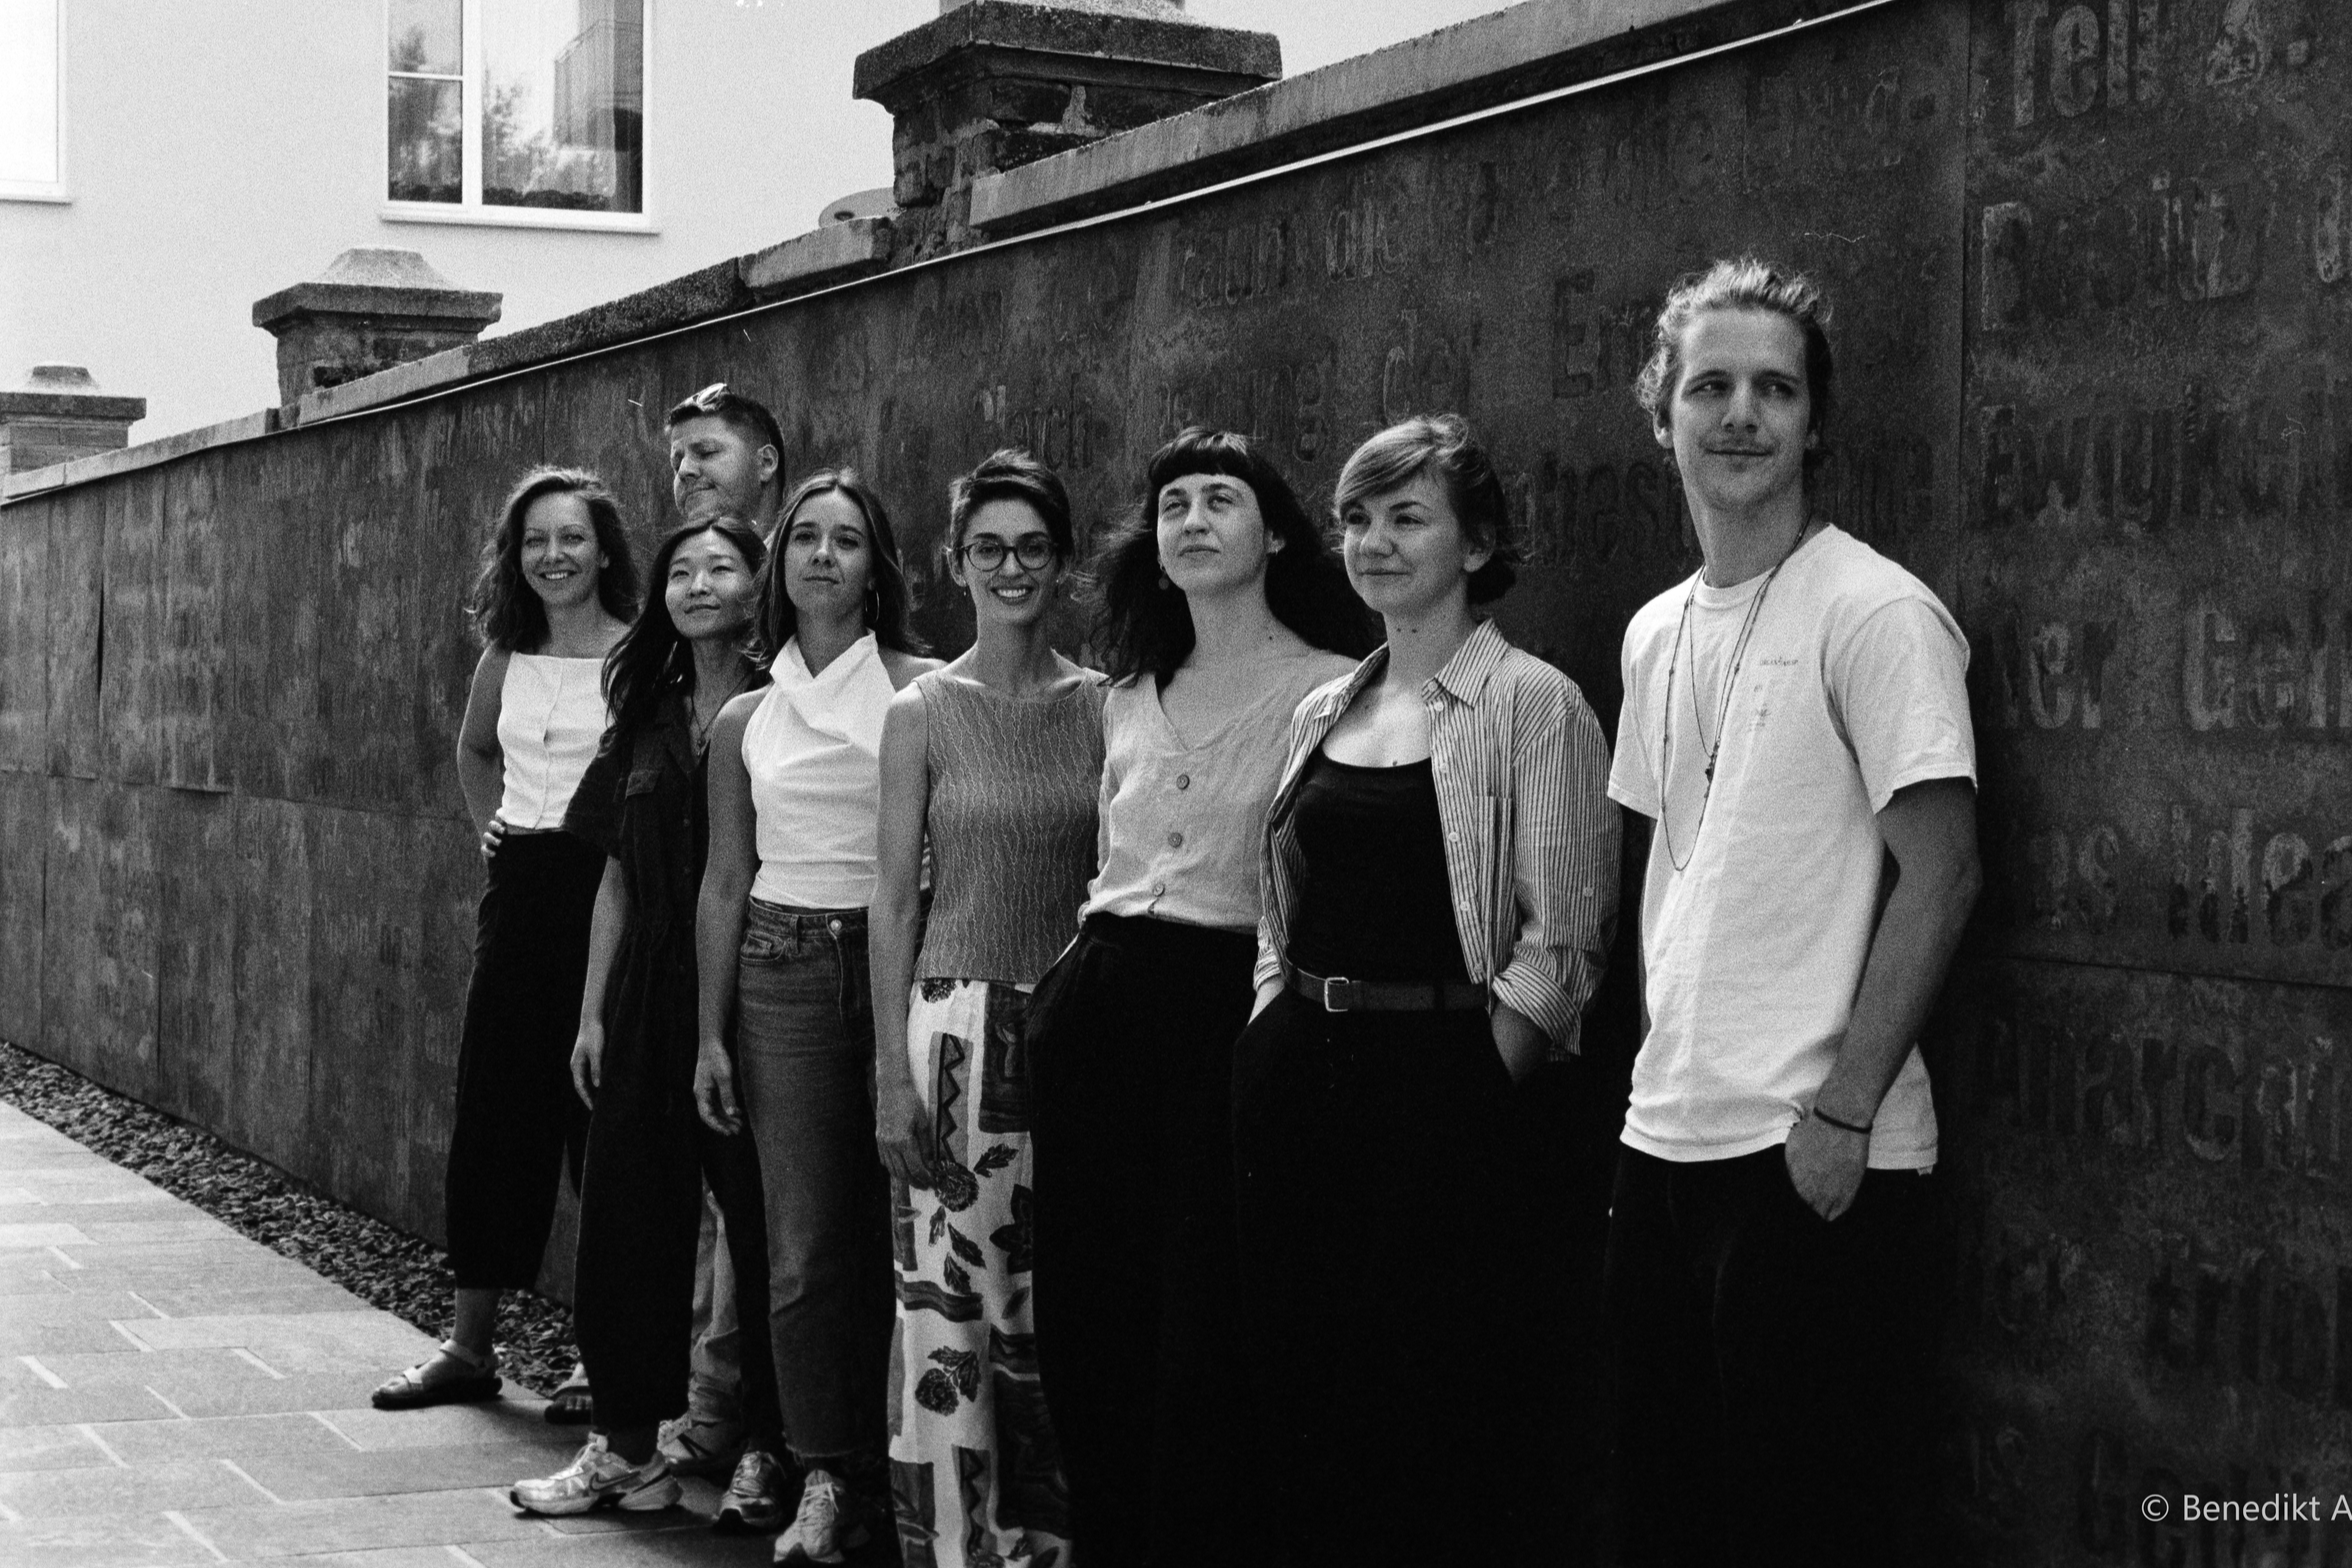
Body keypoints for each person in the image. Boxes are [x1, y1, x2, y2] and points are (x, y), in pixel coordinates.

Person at [1603, 258, 1979, 1568]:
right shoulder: (1655, 630)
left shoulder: (1874, 612)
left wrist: (1843, 1115)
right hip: (1665, 1140)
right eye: (1710, 386)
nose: (1741, 414)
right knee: (1662, 1522)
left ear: (1816, 423)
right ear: (1663, 414)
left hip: (1811, 1157)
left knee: (1801, 1530)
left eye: (1775, 388)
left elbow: (1944, 872)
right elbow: (1677, 871)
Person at [1232, 413, 1618, 1566]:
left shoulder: (1534, 704)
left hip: (1450, 1098)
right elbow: (1278, 902)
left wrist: (1469, 1093)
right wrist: (1268, 1031)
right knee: (1309, 1402)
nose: (1376, 541)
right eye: (1357, 518)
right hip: (1302, 1089)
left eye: (1408, 516)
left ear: (1477, 542)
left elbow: (1566, 941)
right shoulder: (1324, 710)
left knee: (1434, 1409)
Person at [1025, 427, 1369, 1567]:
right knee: (1090, 1306)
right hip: (1101, 1004)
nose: (1194, 520)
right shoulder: (1126, 695)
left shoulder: (1332, 687)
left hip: (1229, 1008)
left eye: (1221, 499)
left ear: (1274, 535)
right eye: (1173, 504)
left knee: (1203, 1314)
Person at [504, 516, 790, 1526]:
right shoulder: (647, 708)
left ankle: (772, 1450)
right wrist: (592, 1013)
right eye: (681, 570)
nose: (699, 584)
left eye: (722, 566)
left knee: (765, 1227)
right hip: (645, 993)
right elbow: (615, 876)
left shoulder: (789, 705)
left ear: (760, 582)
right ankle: (628, 1450)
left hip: (759, 987)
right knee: (625, 1215)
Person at [696, 470, 940, 1566]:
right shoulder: (745, 716)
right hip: (780, 972)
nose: (824, 556)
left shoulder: (925, 690)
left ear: (877, 564)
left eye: (847, 539)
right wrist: (710, 1033)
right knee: (801, 1247)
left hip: (905, 963)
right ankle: (826, 1469)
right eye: (805, 537)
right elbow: (723, 881)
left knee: (906, 1228)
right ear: (780, 562)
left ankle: (909, 1471)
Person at [870, 451, 1102, 1568]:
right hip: (956, 1031)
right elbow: (890, 900)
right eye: (988, 548)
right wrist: (889, 1074)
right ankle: (956, 1548)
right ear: (955, 562)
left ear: (1062, 563)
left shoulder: (1107, 704)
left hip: (1075, 1027)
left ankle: (1054, 1541)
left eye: (1032, 548)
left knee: (1056, 1304)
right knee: (948, 1305)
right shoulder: (921, 711)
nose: (1012, 568)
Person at [374, 468, 636, 1413]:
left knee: (601, 1124)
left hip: (610, 894)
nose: (553, 556)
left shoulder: (641, 652)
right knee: (494, 1114)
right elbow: (473, 747)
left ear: (604, 551)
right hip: (519, 891)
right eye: (535, 541)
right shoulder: (505, 655)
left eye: (571, 538)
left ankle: (601, 1358)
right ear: (515, 555)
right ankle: (469, 1348)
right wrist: (491, 824)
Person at [657, 380, 788, 1475]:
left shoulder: (798, 638)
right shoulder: (668, 664)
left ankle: (751, 1422)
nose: (689, 472)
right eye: (679, 460)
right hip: (684, 954)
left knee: (760, 1207)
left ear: (766, 464)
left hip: (788, 956)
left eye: (708, 452)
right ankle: (703, 1397)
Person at [670, 382, 788, 537]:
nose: (683, 470)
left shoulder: (815, 550)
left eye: (706, 452)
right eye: (676, 465)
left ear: (766, 462)